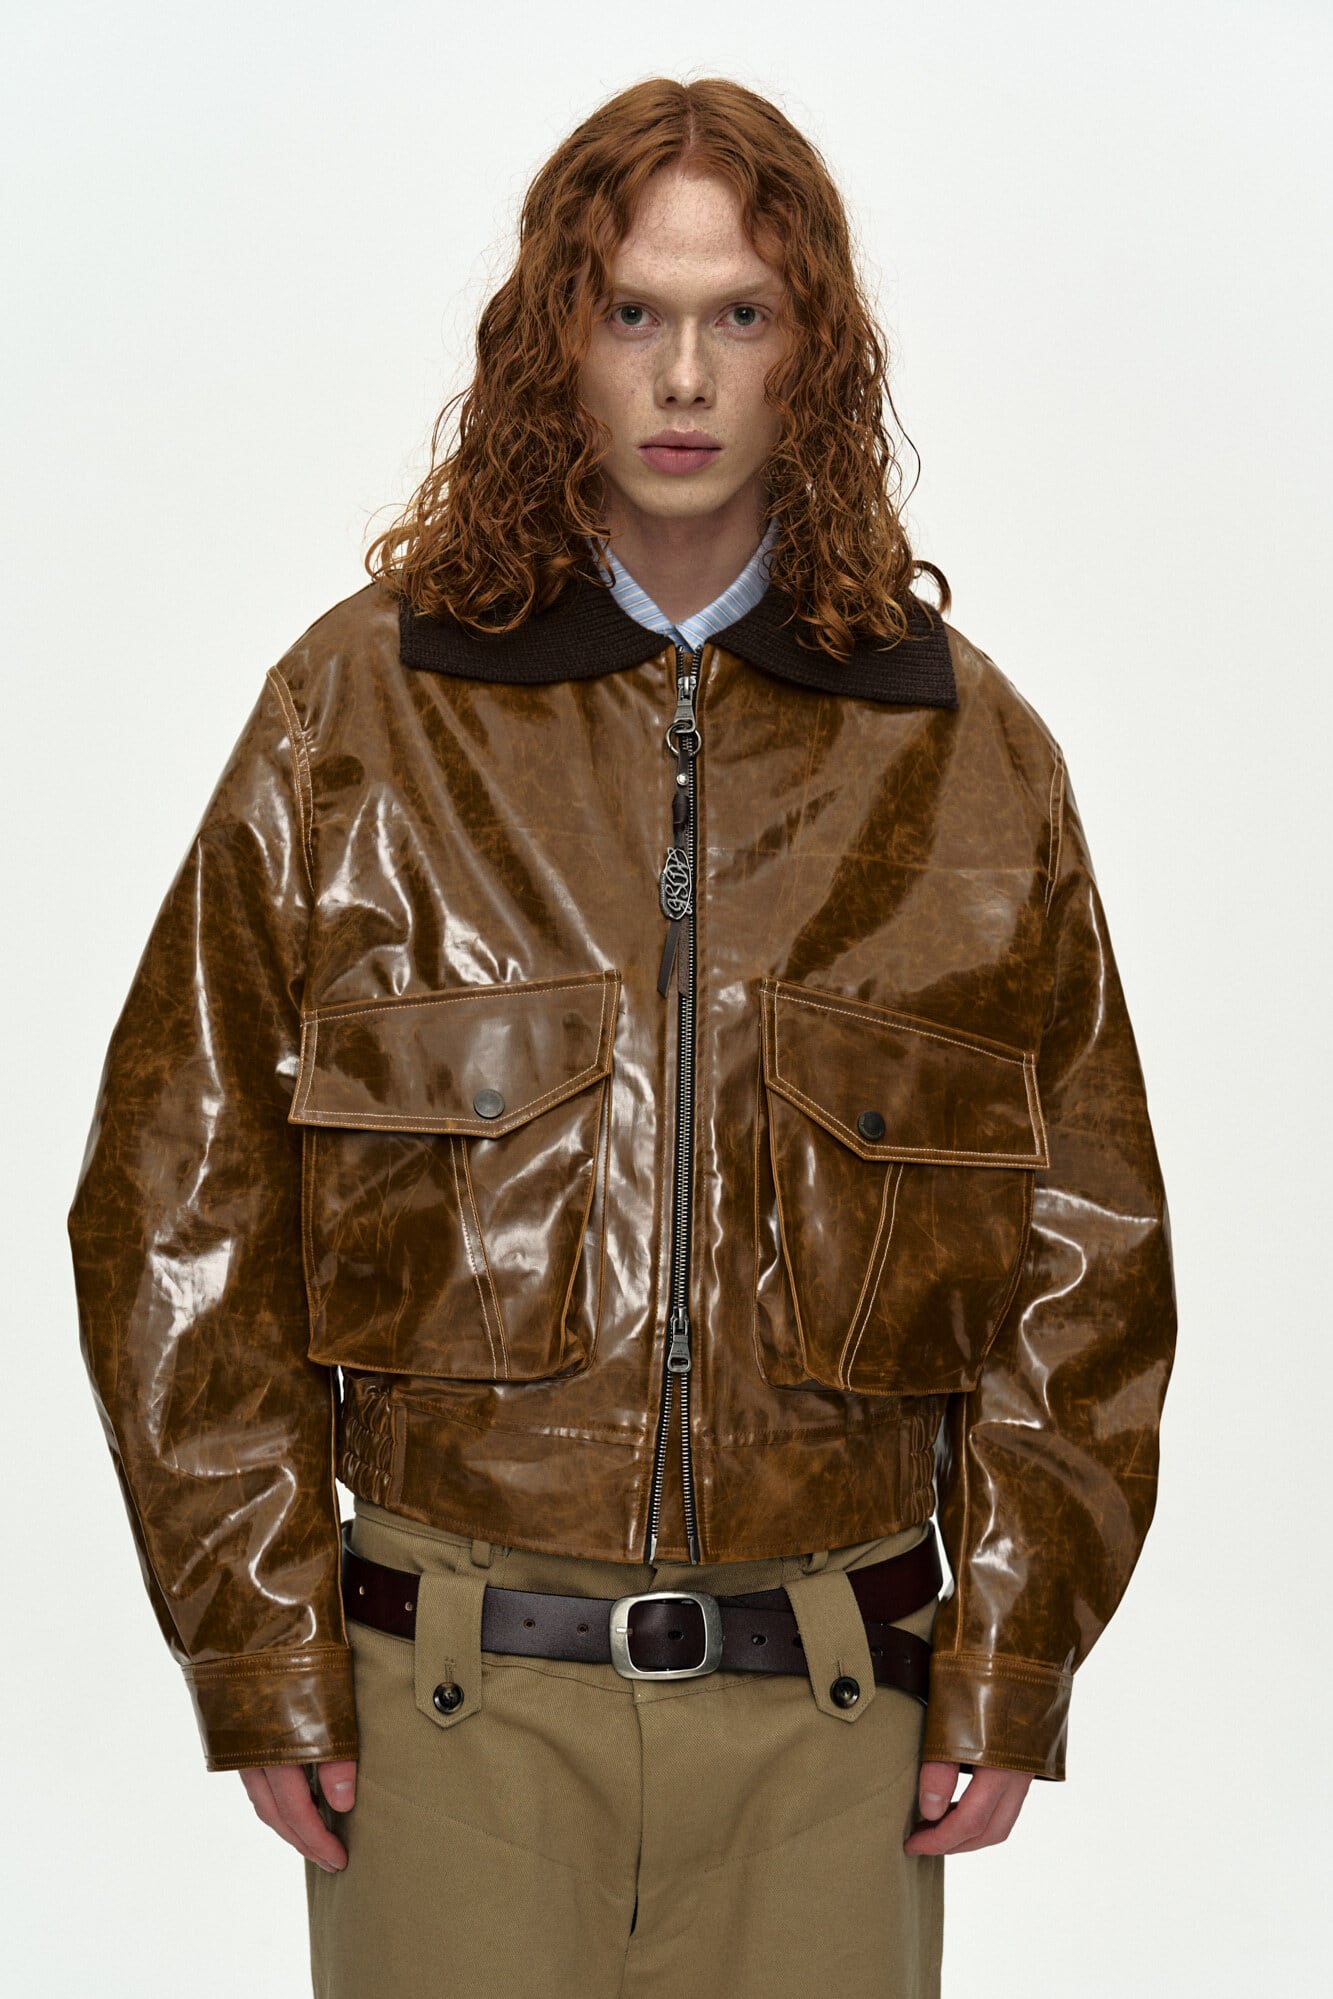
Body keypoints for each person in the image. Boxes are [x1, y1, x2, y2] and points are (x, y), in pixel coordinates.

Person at [66, 75, 1176, 1999]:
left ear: (812, 352)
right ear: (552, 343)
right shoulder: (362, 711)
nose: (681, 375)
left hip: (832, 1714)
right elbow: (180, 1198)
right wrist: (258, 1643)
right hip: (445, 1710)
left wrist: (1008, 1656)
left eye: (740, 313)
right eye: (630, 312)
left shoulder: (962, 753)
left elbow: (1085, 1251)